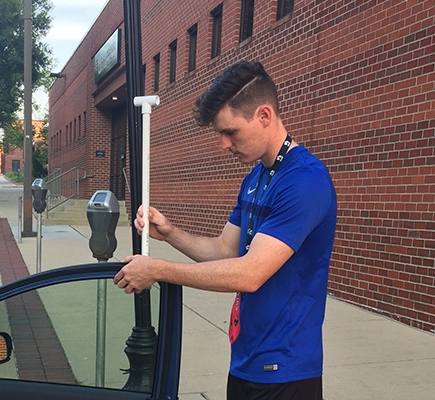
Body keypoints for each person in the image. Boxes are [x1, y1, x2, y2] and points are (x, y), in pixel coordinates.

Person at [113, 60, 337, 400]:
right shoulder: (256, 177)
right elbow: (225, 251)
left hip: (286, 370)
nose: (223, 144)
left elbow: (249, 274)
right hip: (246, 359)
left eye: (230, 132)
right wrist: (170, 232)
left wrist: (158, 270)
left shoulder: (304, 181)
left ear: (264, 116)